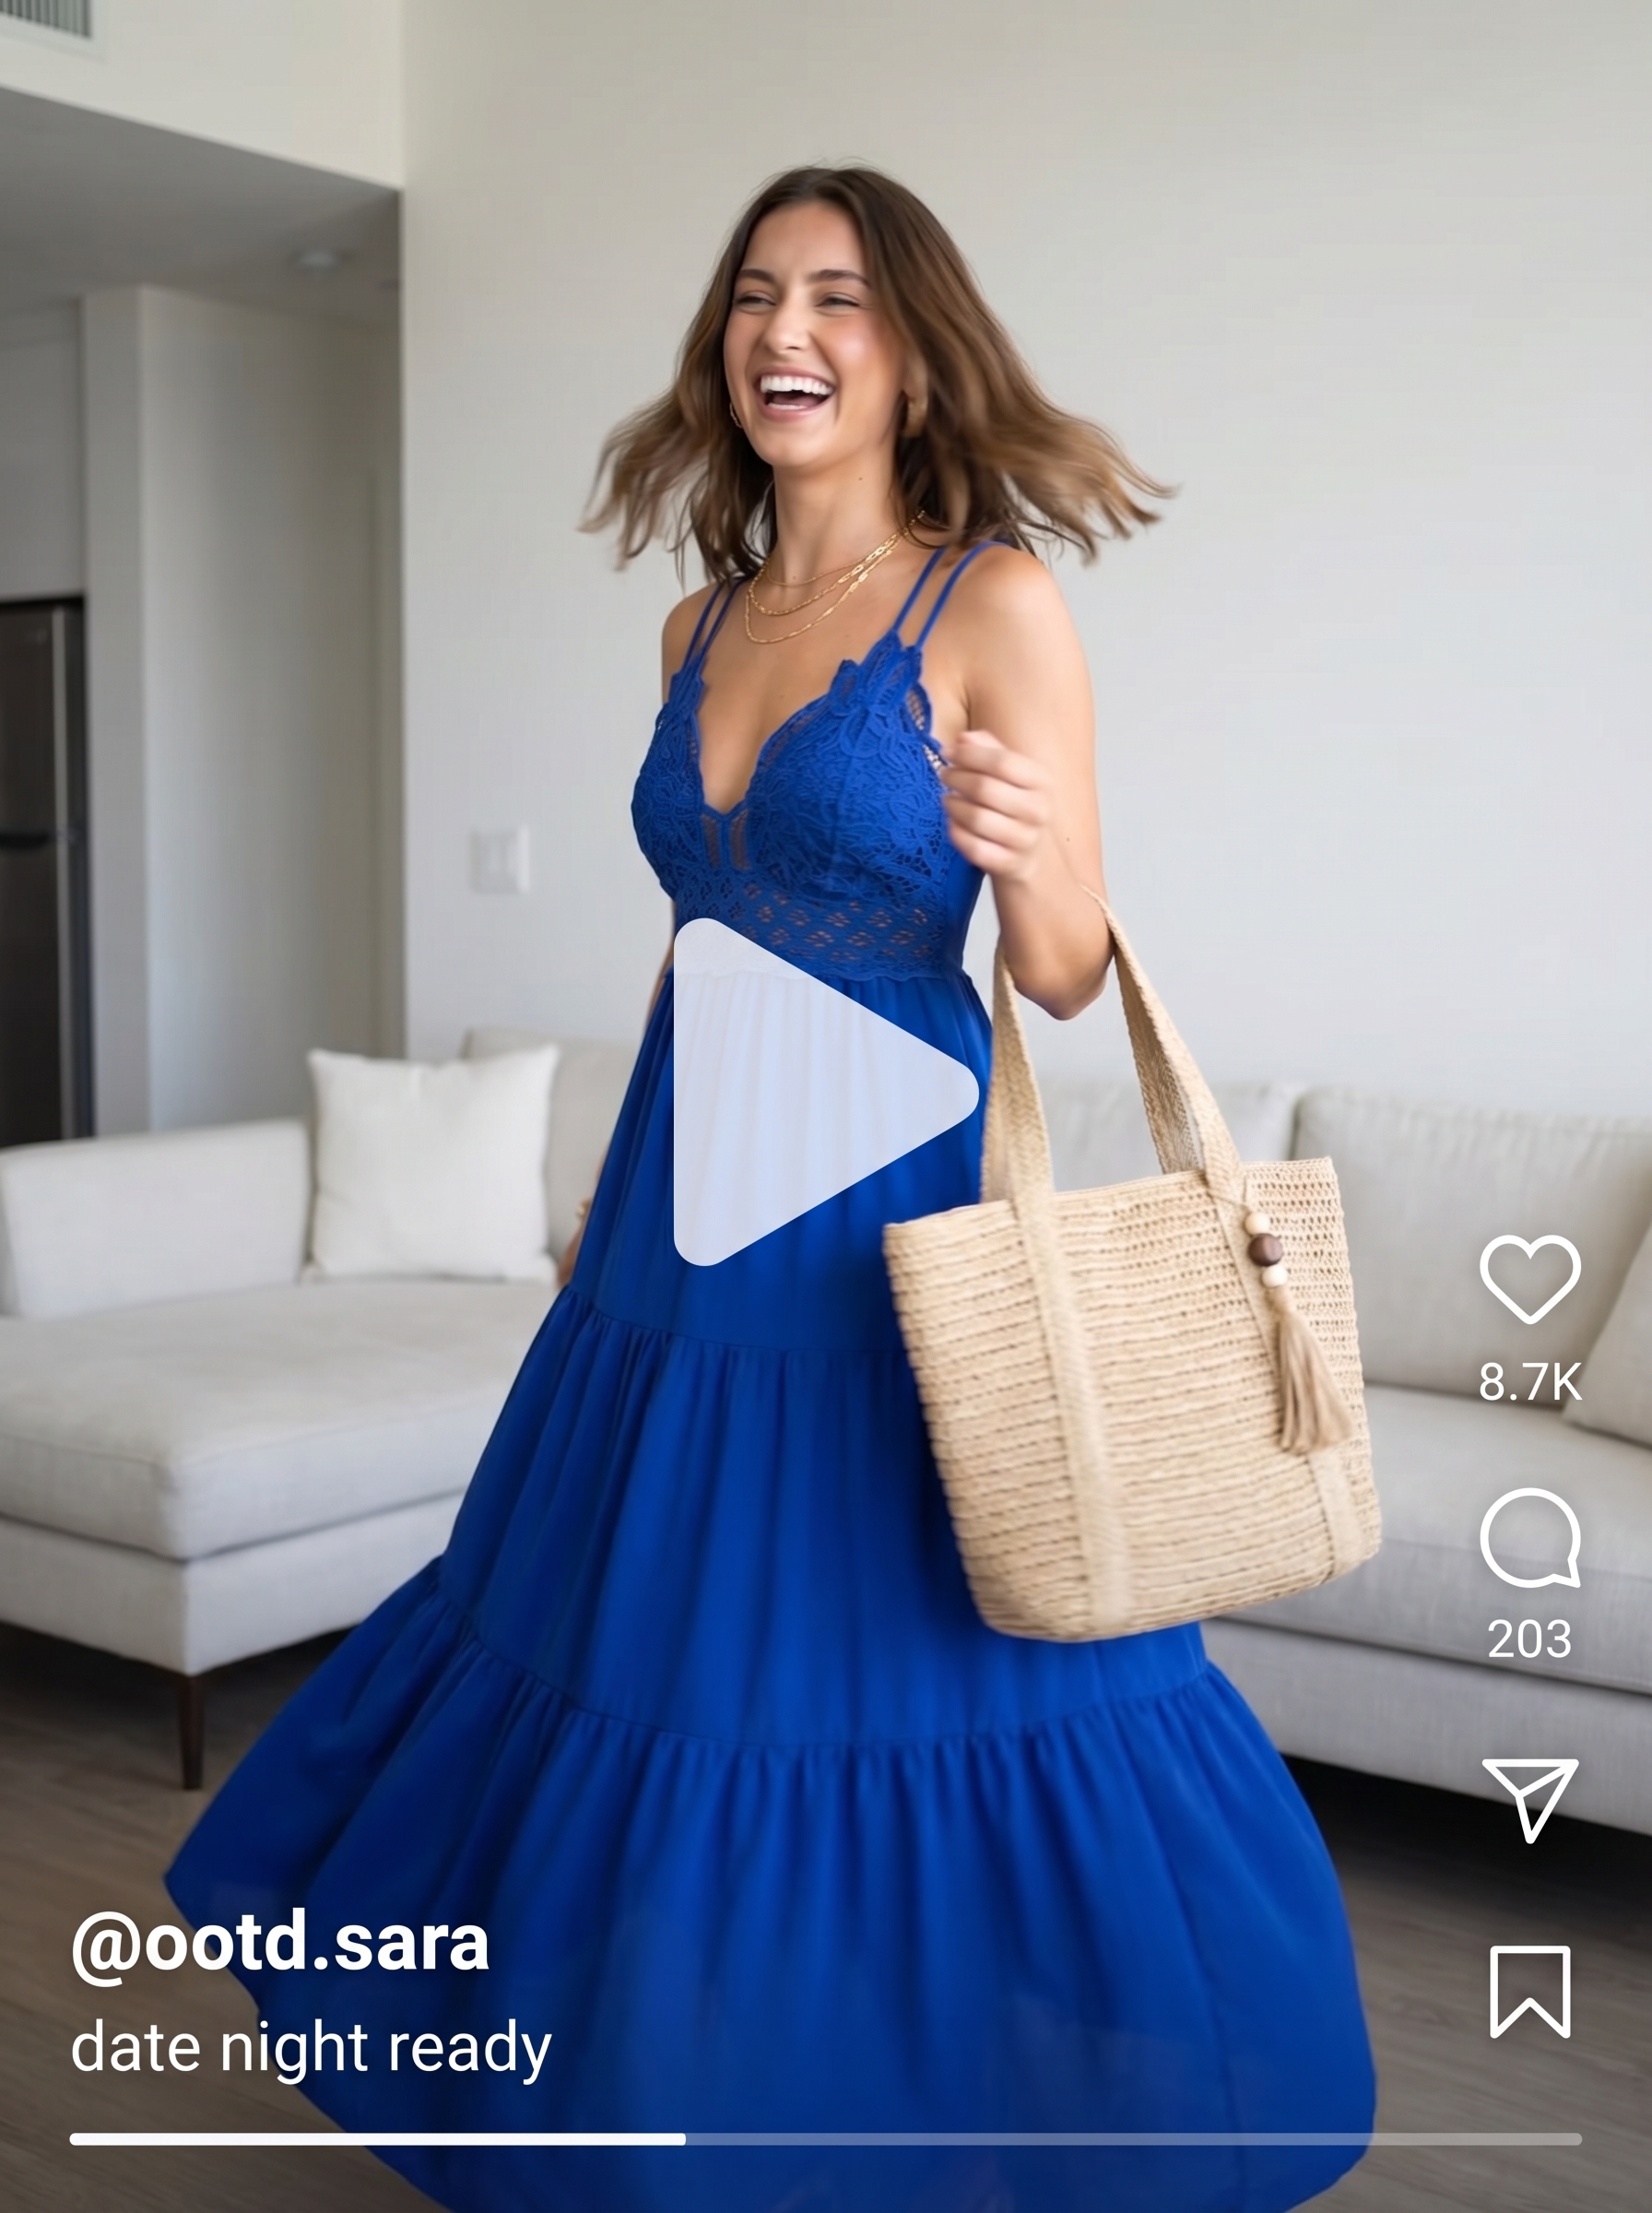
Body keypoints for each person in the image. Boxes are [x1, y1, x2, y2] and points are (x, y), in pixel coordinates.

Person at [169, 164, 1375, 2213]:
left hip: (879, 1214)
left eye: (835, 297)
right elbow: (700, 935)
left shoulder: (988, 597)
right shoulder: (694, 618)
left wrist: (1028, 850)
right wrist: (609, 1198)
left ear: (911, 355)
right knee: (640, 1663)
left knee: (873, 1664)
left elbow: (1065, 974)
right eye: (751, 294)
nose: (782, 331)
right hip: (675, 1214)